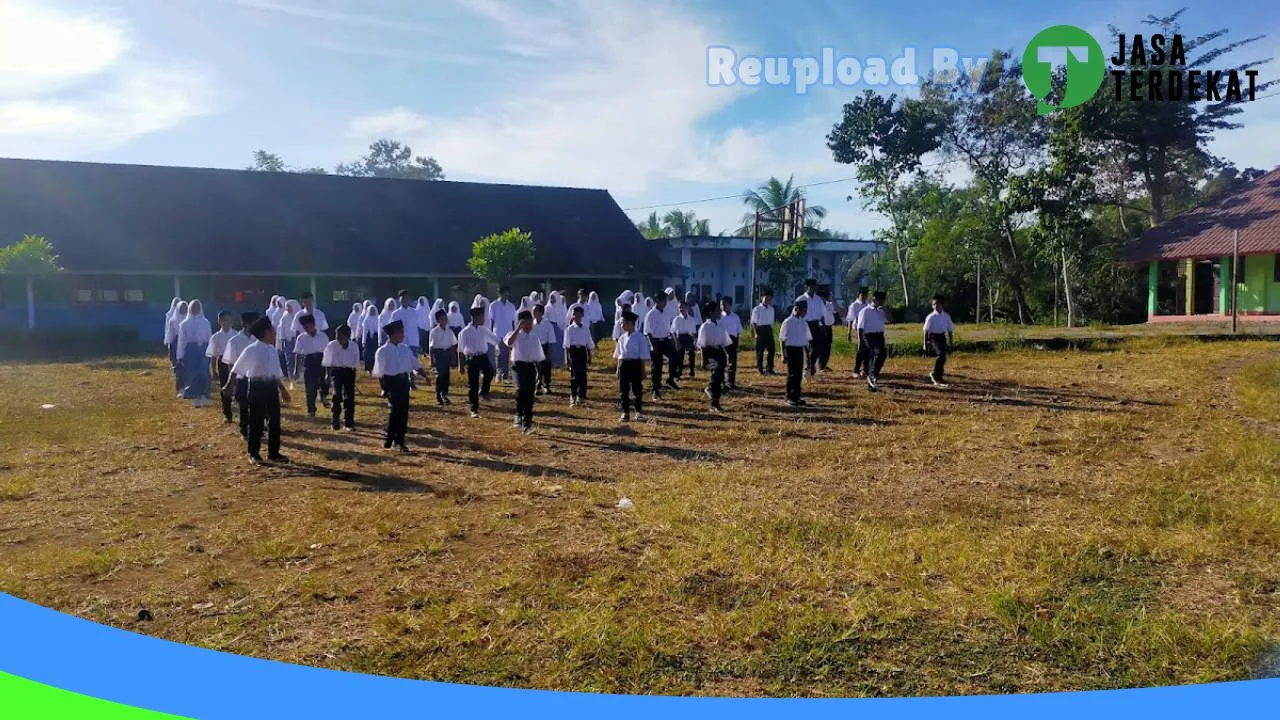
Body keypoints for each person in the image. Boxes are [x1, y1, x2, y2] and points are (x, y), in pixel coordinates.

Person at [223, 316, 291, 466]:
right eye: (273, 329)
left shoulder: (272, 350)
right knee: (256, 422)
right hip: (256, 387)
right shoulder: (252, 349)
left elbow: (275, 373)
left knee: (274, 422)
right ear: (266, 331)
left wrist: (283, 390)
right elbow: (236, 369)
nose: (275, 332)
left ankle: (274, 453)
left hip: (271, 387)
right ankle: (253, 453)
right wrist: (229, 385)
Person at [373, 319, 428, 451]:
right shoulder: (382, 351)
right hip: (391, 382)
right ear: (393, 334)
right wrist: (384, 388)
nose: (403, 335)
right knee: (394, 411)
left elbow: (415, 364)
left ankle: (400, 440)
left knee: (403, 412)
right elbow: (379, 373)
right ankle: (389, 439)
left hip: (404, 382)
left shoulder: (405, 349)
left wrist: (424, 375)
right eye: (401, 332)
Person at [504, 309, 544, 433]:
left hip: (530, 367)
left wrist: (539, 375)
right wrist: (517, 329)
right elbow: (509, 343)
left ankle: (527, 423)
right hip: (518, 367)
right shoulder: (514, 335)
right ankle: (518, 415)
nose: (529, 326)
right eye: (526, 323)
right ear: (521, 323)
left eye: (531, 323)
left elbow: (539, 357)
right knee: (521, 390)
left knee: (529, 395)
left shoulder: (534, 337)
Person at [458, 306, 501, 419]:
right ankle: (474, 409)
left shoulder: (483, 329)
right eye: (481, 317)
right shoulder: (465, 332)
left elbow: (496, 339)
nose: (483, 319)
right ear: (475, 317)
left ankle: (484, 391)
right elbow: (461, 350)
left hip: (483, 356)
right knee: (473, 385)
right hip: (471, 359)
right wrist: (461, 366)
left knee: (490, 372)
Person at [223, 311, 259, 438]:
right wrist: (231, 382)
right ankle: (245, 429)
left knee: (256, 404)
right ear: (245, 324)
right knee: (244, 404)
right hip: (241, 377)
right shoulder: (234, 341)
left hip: (256, 376)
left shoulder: (258, 339)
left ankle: (255, 427)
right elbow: (231, 364)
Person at [323, 323, 360, 431]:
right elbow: (327, 362)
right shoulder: (331, 345)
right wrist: (327, 375)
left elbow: (355, 363)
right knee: (336, 395)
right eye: (337, 335)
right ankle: (335, 422)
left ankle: (349, 423)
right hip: (336, 372)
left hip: (349, 372)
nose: (338, 338)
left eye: (340, 336)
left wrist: (353, 376)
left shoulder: (354, 346)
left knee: (349, 397)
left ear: (348, 336)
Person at [696, 300, 731, 412]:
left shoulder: (721, 325)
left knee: (720, 376)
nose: (720, 312)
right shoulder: (705, 326)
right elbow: (702, 345)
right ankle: (713, 403)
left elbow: (725, 342)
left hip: (719, 352)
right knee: (716, 371)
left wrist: (728, 355)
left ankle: (715, 398)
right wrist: (703, 360)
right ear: (711, 313)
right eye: (717, 310)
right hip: (709, 352)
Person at [613, 310, 647, 422]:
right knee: (624, 390)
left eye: (623, 322)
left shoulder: (640, 337)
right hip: (624, 365)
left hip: (635, 364)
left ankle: (638, 412)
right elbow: (619, 355)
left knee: (637, 389)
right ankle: (625, 412)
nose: (621, 325)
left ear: (630, 323)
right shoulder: (622, 338)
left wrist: (642, 369)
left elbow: (642, 355)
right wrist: (618, 369)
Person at [178, 299, 213, 407]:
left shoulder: (205, 322)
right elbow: (181, 341)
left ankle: (204, 395)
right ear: (190, 308)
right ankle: (195, 397)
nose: (195, 309)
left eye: (197, 307)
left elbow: (209, 337)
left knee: (203, 373)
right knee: (192, 373)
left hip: (203, 349)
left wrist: (211, 351)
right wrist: (180, 355)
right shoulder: (184, 324)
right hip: (190, 350)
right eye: (193, 307)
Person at [294, 313, 330, 417]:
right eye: (304, 327)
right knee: (310, 388)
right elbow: (298, 354)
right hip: (309, 363)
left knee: (323, 383)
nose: (306, 329)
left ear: (313, 324)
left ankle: (323, 396)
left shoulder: (323, 336)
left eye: (308, 326)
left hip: (321, 361)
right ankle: (311, 410)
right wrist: (296, 369)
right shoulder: (301, 338)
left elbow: (327, 352)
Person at [643, 292, 678, 399]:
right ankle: (656, 389)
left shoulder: (667, 312)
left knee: (675, 357)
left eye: (666, 301)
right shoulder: (651, 314)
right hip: (655, 341)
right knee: (657, 366)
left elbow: (669, 328)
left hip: (666, 340)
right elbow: (647, 332)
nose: (665, 303)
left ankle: (670, 379)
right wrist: (652, 344)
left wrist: (672, 340)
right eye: (663, 301)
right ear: (657, 301)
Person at [779, 301, 812, 407]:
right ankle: (789, 397)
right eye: (804, 310)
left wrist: (807, 356)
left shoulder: (803, 322)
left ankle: (796, 396)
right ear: (797, 309)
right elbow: (782, 339)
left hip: (799, 350)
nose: (805, 312)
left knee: (798, 374)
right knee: (792, 374)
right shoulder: (788, 321)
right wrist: (783, 354)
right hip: (790, 350)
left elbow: (807, 340)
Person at [563, 304, 595, 407]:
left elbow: (589, 344)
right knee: (574, 375)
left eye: (578, 314)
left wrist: (589, 356)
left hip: (582, 352)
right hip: (573, 352)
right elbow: (566, 346)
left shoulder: (586, 329)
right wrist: (567, 358)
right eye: (574, 314)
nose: (576, 316)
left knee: (583, 375)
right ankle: (573, 396)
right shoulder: (569, 329)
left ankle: (581, 397)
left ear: (582, 315)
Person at [207, 311, 237, 423]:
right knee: (225, 388)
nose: (227, 323)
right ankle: (227, 413)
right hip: (223, 363)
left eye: (229, 320)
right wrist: (213, 370)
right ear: (219, 321)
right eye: (225, 320)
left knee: (239, 387)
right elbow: (213, 355)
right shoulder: (216, 337)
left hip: (236, 363)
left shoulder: (237, 335)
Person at [857, 291, 889, 391]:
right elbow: (860, 327)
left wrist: (885, 309)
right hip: (869, 336)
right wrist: (860, 341)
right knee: (877, 353)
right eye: (881, 301)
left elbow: (890, 319)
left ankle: (873, 376)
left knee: (882, 354)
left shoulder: (881, 311)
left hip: (879, 335)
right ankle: (872, 376)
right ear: (875, 299)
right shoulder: (865, 311)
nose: (882, 303)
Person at [923, 294, 956, 386]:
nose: (935, 306)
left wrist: (951, 342)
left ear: (942, 304)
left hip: (942, 337)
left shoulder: (946, 316)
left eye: (937, 304)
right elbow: (926, 331)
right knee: (940, 354)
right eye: (934, 304)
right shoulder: (931, 317)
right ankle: (934, 374)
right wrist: (925, 344)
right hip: (933, 338)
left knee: (943, 357)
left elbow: (950, 330)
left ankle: (939, 376)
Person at [486, 286, 518, 382]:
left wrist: (513, 333)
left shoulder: (511, 306)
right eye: (504, 293)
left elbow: (513, 321)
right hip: (497, 332)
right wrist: (491, 334)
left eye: (507, 293)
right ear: (500, 293)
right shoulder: (493, 305)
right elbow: (491, 320)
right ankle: (499, 373)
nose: (506, 295)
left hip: (508, 333)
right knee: (499, 353)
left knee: (506, 353)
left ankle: (505, 373)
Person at [796, 278, 825, 377]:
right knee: (808, 348)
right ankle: (807, 368)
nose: (813, 288)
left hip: (816, 325)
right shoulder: (800, 299)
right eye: (811, 286)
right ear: (806, 287)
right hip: (805, 324)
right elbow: (795, 315)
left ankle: (810, 365)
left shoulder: (818, 299)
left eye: (815, 286)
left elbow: (822, 314)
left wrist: (823, 326)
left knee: (818, 348)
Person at [428, 308, 458, 405]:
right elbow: (431, 347)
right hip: (439, 354)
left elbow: (454, 344)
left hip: (447, 354)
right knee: (440, 375)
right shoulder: (434, 331)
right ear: (437, 320)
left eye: (445, 318)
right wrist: (431, 359)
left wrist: (454, 358)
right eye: (442, 319)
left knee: (446, 375)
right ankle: (438, 394)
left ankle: (444, 394)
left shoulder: (449, 331)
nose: (444, 320)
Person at [531, 304, 557, 395]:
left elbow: (551, 340)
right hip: (534, 347)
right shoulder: (531, 324)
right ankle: (537, 386)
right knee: (536, 368)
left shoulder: (547, 324)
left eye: (535, 311)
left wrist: (549, 352)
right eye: (533, 311)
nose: (533, 313)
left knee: (546, 367)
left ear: (541, 313)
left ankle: (546, 386)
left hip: (545, 347)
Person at [719, 296, 743, 390]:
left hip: (732, 341)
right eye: (721, 304)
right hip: (721, 341)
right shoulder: (719, 317)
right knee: (721, 363)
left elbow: (738, 332)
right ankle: (721, 382)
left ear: (730, 305)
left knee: (732, 363)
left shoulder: (735, 317)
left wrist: (737, 343)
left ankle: (731, 382)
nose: (723, 306)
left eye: (725, 304)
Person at [750, 291, 776, 375]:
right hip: (760, 330)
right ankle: (760, 369)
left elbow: (771, 322)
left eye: (770, 298)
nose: (768, 299)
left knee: (771, 350)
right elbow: (753, 322)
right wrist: (756, 333)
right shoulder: (757, 309)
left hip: (768, 329)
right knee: (760, 351)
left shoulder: (772, 309)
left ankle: (770, 369)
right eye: (766, 297)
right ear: (762, 298)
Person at [846, 287, 869, 378]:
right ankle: (856, 370)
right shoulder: (854, 305)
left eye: (866, 295)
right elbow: (850, 320)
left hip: (867, 330)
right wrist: (849, 333)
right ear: (859, 294)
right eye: (863, 295)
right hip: (858, 329)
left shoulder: (868, 304)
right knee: (860, 350)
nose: (864, 297)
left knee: (867, 350)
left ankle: (865, 369)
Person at [671, 301, 698, 379]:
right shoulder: (676, 319)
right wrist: (676, 342)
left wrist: (694, 342)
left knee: (692, 353)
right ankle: (678, 373)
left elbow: (693, 333)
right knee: (680, 354)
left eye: (683, 307)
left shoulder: (692, 320)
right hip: (680, 337)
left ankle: (692, 371)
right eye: (680, 307)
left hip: (688, 338)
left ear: (688, 308)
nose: (681, 309)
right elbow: (673, 332)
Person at [168, 300, 188, 396]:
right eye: (182, 307)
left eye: (185, 307)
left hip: (188, 344)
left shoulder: (190, 319)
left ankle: (189, 387)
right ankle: (180, 388)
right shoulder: (173, 320)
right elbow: (170, 335)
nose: (183, 309)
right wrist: (171, 348)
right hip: (176, 343)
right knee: (179, 367)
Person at [276, 299, 300, 379]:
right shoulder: (285, 317)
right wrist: (282, 340)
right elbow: (281, 329)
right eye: (287, 307)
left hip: (298, 340)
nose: (288, 309)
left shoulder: (300, 316)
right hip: (288, 341)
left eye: (289, 307)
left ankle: (299, 376)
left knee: (299, 359)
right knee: (289, 359)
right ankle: (291, 377)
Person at [164, 297, 184, 392]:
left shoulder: (188, 318)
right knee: (176, 361)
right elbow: (169, 330)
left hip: (185, 343)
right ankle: (179, 385)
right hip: (175, 342)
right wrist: (168, 340)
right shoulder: (171, 316)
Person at [547, 291, 567, 369]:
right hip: (550, 328)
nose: (552, 299)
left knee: (559, 346)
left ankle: (559, 363)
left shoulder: (560, 307)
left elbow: (563, 318)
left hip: (559, 328)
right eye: (551, 298)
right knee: (551, 347)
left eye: (554, 298)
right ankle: (552, 363)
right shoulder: (547, 307)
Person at [817, 290, 836, 372]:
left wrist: (833, 299)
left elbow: (837, 310)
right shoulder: (817, 306)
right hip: (820, 328)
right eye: (822, 297)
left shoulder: (829, 305)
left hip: (829, 327)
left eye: (825, 297)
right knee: (822, 347)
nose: (823, 299)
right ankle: (821, 366)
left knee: (828, 347)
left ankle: (824, 365)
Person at [361, 303, 381, 374]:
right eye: (371, 310)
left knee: (376, 354)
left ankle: (376, 368)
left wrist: (379, 340)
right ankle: (369, 369)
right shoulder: (366, 320)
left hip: (376, 338)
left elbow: (380, 330)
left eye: (373, 310)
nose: (372, 311)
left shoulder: (378, 318)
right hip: (369, 339)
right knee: (369, 354)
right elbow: (365, 332)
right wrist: (363, 342)